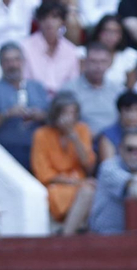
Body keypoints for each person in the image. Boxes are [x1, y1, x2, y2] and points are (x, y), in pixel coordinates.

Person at [31, 92, 96, 233]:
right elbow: (43, 174)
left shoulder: (82, 130)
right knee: (86, 190)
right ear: (55, 114)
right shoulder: (42, 134)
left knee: (89, 191)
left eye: (72, 113)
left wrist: (74, 138)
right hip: (56, 186)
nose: (68, 118)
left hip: (79, 184)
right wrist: (76, 183)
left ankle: (67, 234)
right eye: (64, 113)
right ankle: (68, 237)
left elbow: (88, 165)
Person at [0, 44, 50, 170]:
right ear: (1, 64)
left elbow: (53, 118)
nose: (12, 65)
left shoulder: (37, 87)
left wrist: (39, 115)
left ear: (23, 62)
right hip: (6, 151)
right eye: (7, 61)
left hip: (38, 150)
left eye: (16, 60)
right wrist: (7, 114)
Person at [90, 127, 137, 233]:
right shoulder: (109, 167)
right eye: (130, 149)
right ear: (120, 148)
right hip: (105, 235)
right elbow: (134, 184)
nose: (135, 154)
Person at [22, 1, 81, 93]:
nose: (49, 22)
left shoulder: (71, 50)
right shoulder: (26, 47)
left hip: (62, 102)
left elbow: (73, 84)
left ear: (63, 21)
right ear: (38, 21)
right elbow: (25, 82)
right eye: (45, 18)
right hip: (34, 100)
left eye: (54, 17)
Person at [62, 42, 119, 134]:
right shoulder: (69, 90)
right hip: (79, 141)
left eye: (103, 61)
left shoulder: (118, 91)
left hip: (113, 143)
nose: (98, 66)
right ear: (85, 62)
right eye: (93, 61)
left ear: (110, 63)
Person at [97, 90, 137, 165]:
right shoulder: (107, 136)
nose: (132, 115)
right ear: (120, 112)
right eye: (128, 110)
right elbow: (108, 167)